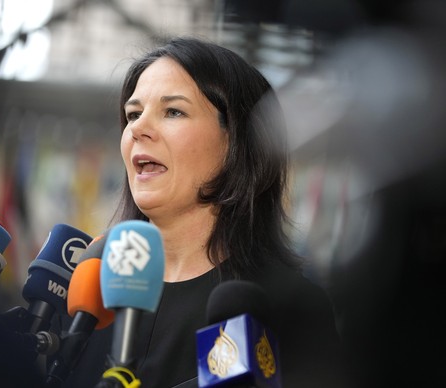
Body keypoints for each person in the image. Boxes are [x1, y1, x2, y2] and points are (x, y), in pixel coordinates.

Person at [60, 36, 347, 388]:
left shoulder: (291, 305)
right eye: (133, 114)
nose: (137, 129)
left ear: (240, 145)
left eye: (173, 111)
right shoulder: (88, 292)